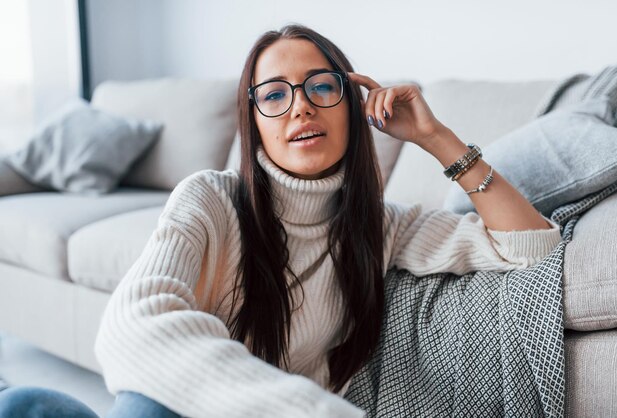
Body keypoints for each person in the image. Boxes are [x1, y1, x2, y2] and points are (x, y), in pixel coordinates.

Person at [0, 24, 561, 418]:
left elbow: (532, 247)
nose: (300, 107)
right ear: (256, 122)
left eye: (321, 86)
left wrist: (437, 139)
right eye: (275, 95)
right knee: (44, 404)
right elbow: (134, 329)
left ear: (352, 104)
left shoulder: (380, 227)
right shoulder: (210, 200)